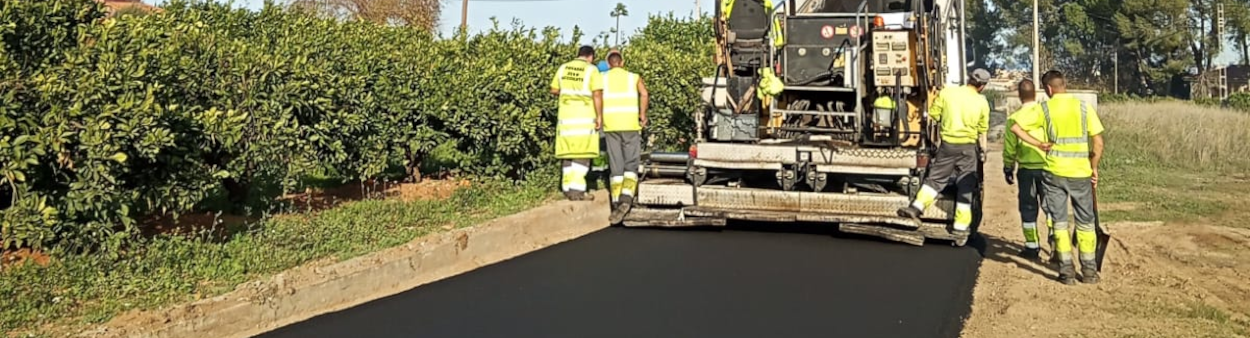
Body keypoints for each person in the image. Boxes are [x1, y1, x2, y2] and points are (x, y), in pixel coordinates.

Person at [1009, 70, 1105, 285]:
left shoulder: (1045, 108)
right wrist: (1094, 168)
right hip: (1081, 174)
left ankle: (1066, 272)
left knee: (1060, 222)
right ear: (1064, 84)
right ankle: (1089, 272)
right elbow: (1098, 143)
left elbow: (1015, 126)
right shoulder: (1083, 107)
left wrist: (1038, 144)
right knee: (1086, 223)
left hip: (1054, 174)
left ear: (1049, 89)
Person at [896, 68, 992, 235]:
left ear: (969, 78)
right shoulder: (982, 102)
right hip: (968, 147)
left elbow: (933, 114)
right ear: (982, 86)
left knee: (936, 178)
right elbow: (982, 130)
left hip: (947, 145)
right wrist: (983, 151)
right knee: (966, 185)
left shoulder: (948, 93)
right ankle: (960, 227)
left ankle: (916, 207)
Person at [1003, 79, 1054, 260]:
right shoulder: (1046, 115)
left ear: (1019, 96)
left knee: (1028, 209)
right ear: (1036, 94)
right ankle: (1056, 247)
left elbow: (1009, 149)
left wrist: (1008, 168)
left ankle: (1032, 248)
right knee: (1052, 209)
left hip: (1026, 171)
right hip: (1048, 168)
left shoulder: (1013, 119)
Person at [600, 49, 649, 223]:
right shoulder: (633, 77)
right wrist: (642, 114)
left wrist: (599, 117)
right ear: (622, 62)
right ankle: (626, 199)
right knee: (631, 163)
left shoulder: (602, 78)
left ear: (608, 64)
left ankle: (615, 203)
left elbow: (596, 97)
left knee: (616, 164)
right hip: (630, 124)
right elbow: (644, 93)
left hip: (611, 125)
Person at [549, 45, 605, 201]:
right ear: (590, 57)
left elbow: (553, 89)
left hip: (565, 117)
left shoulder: (563, 68)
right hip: (584, 117)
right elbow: (597, 94)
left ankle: (566, 188)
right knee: (582, 154)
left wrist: (568, 93)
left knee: (568, 153)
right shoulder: (591, 70)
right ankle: (578, 191)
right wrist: (599, 116)